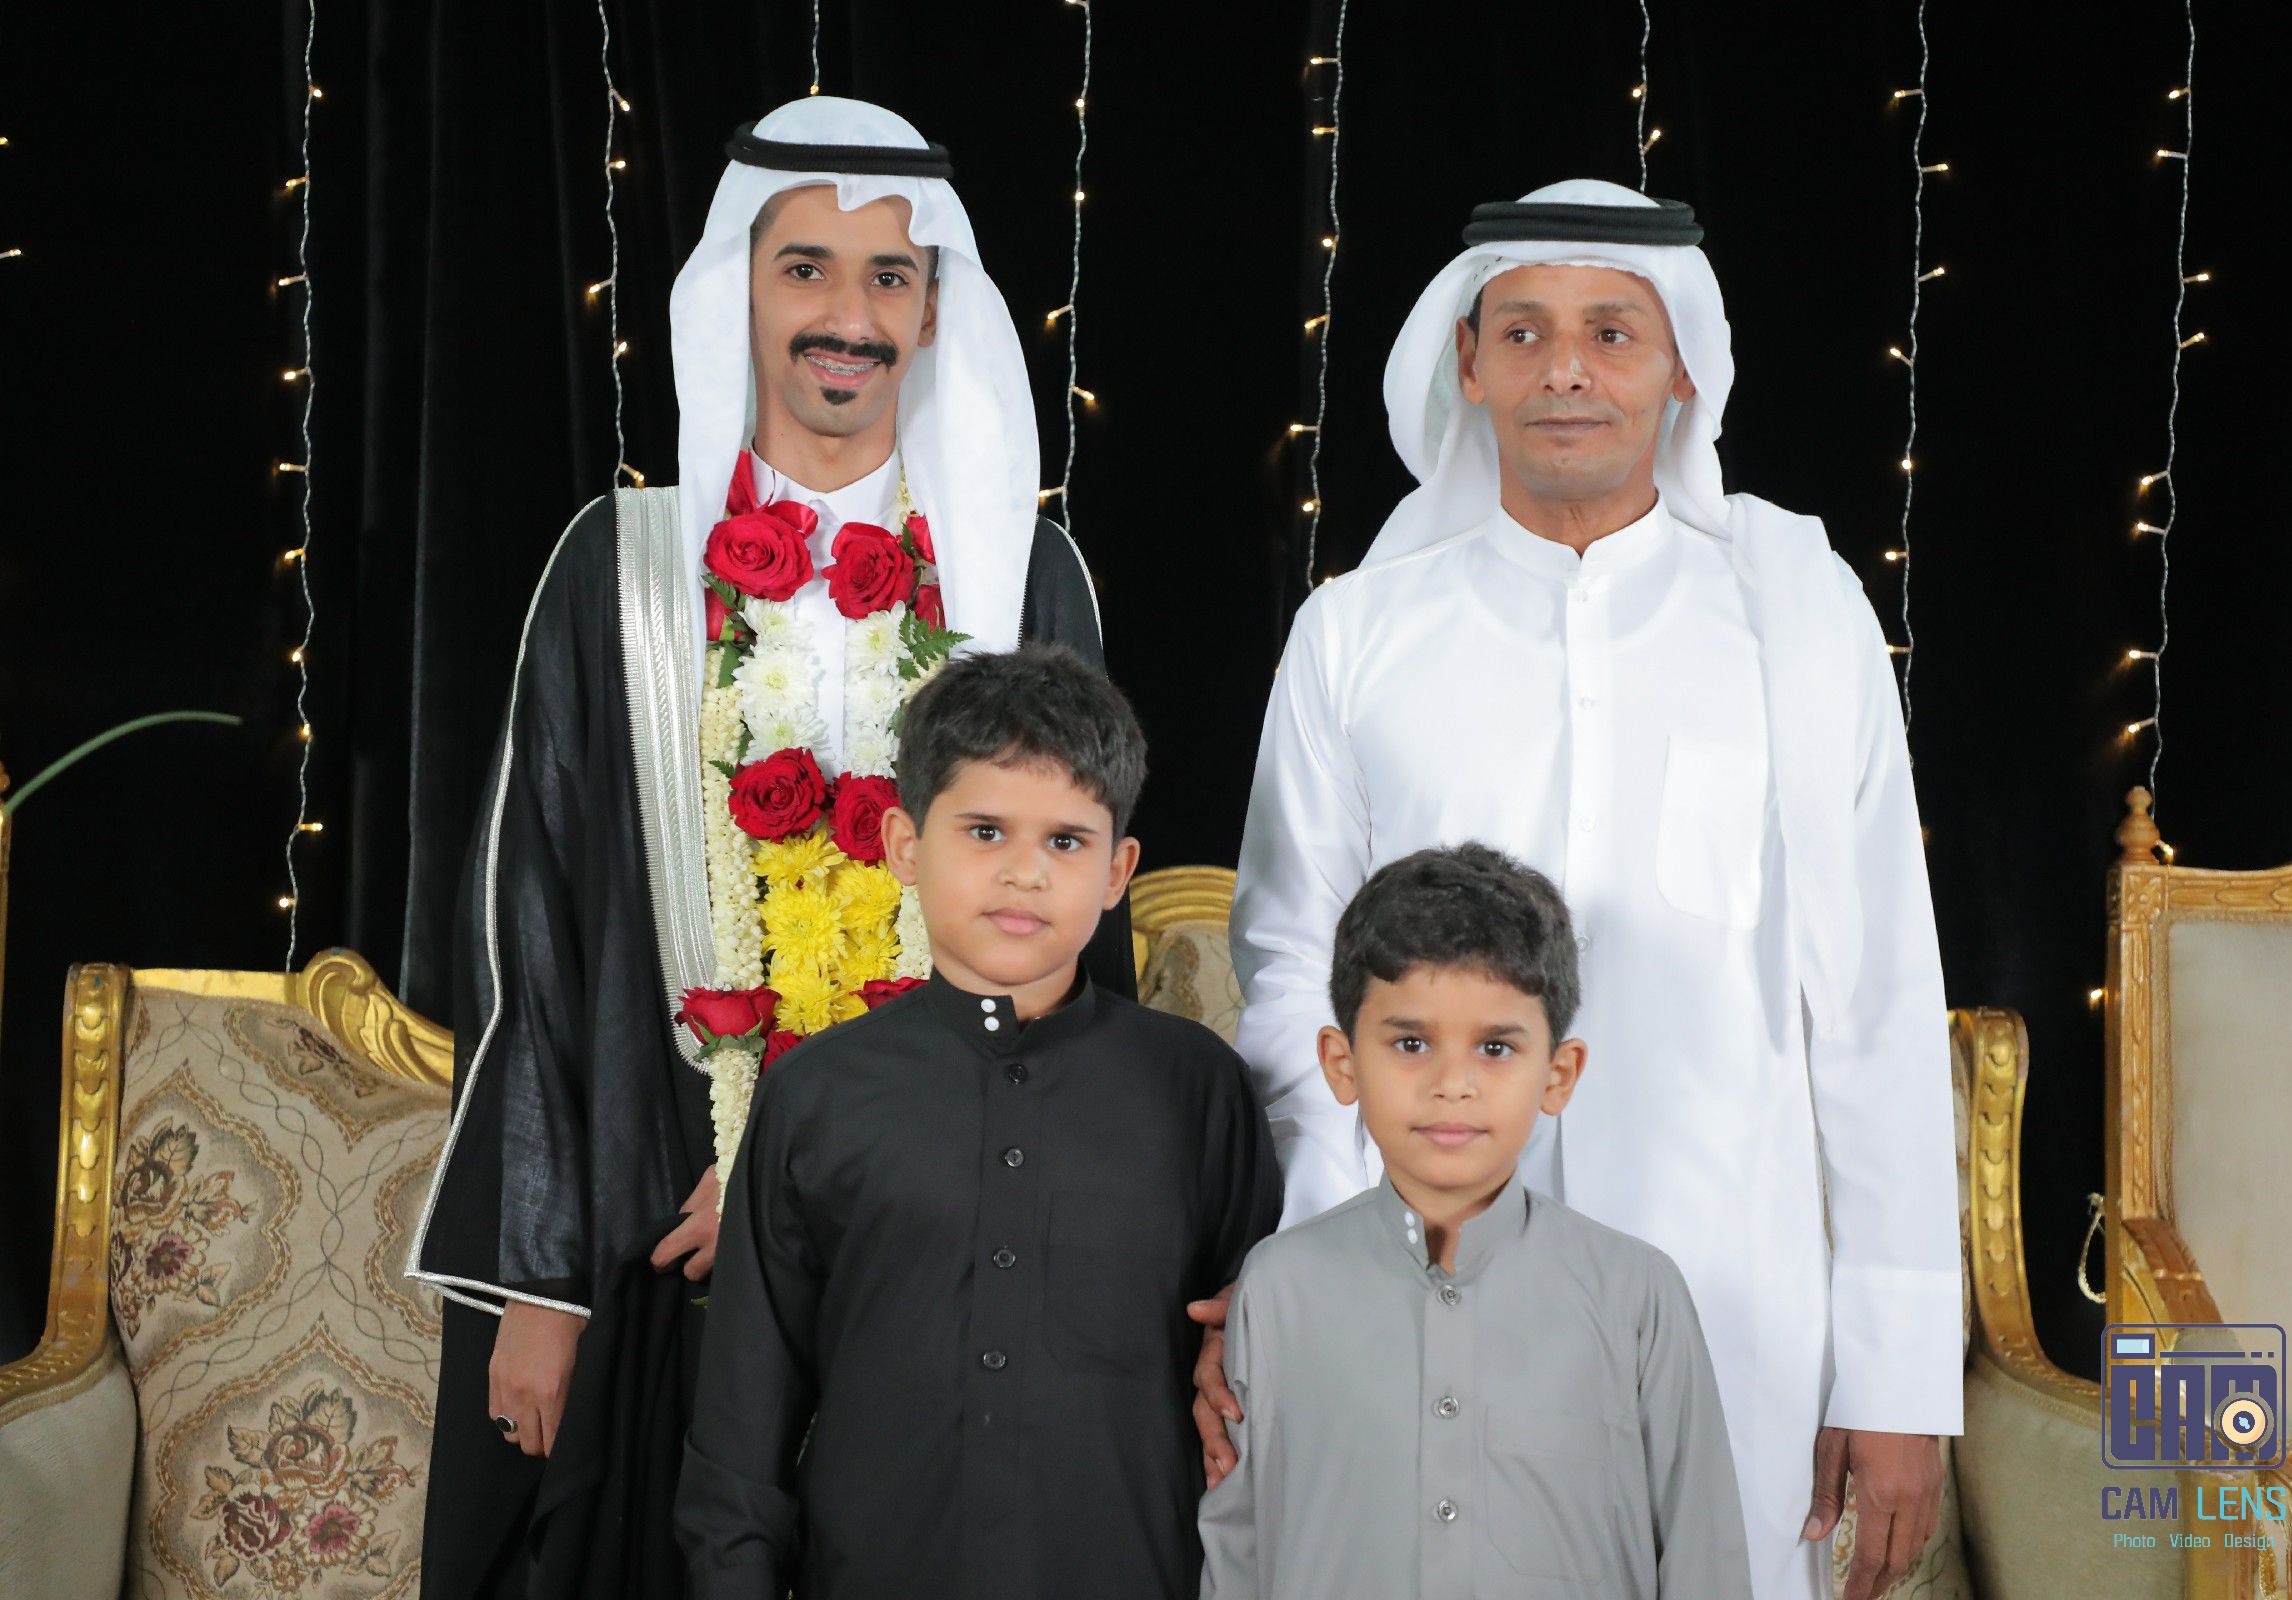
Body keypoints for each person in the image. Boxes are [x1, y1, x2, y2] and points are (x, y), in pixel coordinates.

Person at [407, 95, 1131, 1599]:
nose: (847, 316)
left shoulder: (1019, 574)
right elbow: (531, 932)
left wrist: (845, 1161)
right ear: (737, 290)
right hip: (658, 1216)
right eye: (805, 268)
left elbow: (1071, 940)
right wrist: (540, 1282)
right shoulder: (621, 570)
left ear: (934, 314)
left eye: (888, 278)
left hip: (952, 1213)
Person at [1201, 182, 1961, 1600]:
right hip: (1416, 1277)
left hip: (1734, 1289)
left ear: (1683, 368)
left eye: (1612, 332)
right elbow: (1292, 961)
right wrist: (1322, 1253)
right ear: (1468, 363)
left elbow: (1877, 1004)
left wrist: (1899, 1371)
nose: (1566, 369)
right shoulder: (1357, 634)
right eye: (1525, 332)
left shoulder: (1797, 624)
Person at [676, 644, 1283, 1599]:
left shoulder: (1198, 1090)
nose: (1025, 873)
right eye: (987, 831)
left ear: (1119, 870)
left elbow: (1252, 1381)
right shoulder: (818, 1095)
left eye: (1067, 842)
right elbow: (742, 1419)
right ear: (905, 845)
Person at [1198, 843, 1752, 1599]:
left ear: (1558, 1074)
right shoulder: (1279, 1287)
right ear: (1341, 1063)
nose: (1452, 1083)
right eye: (1411, 1043)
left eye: (1495, 1047)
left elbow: (1704, 1559)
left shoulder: (1637, 1295)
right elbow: (1237, 1557)